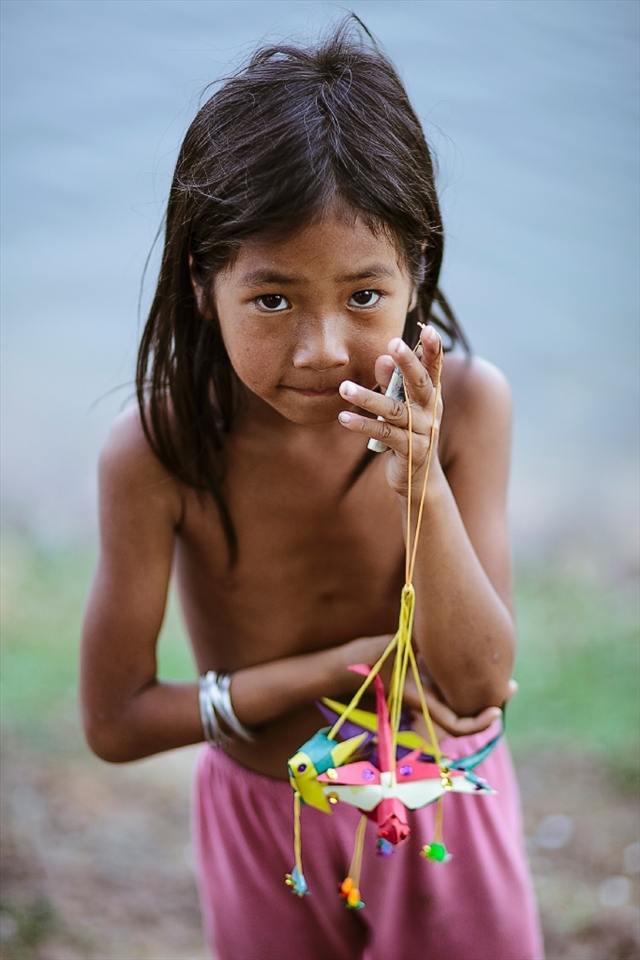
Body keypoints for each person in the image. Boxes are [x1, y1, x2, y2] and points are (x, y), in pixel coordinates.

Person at [80, 18, 543, 960]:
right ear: (203, 281)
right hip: (267, 823)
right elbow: (116, 721)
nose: (323, 349)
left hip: (438, 807)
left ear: (415, 269)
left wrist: (423, 482)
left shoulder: (468, 409)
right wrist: (336, 671)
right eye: (273, 298)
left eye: (364, 295)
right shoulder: (160, 453)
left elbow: (480, 682)